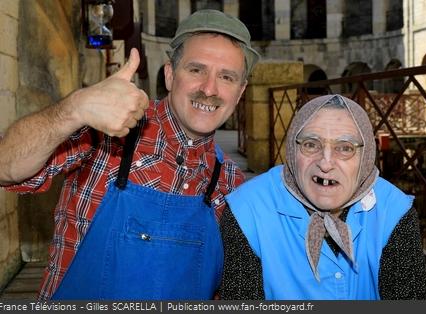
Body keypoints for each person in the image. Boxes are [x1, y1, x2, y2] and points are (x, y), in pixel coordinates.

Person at [0, 9, 259, 300]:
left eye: (226, 77)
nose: (209, 89)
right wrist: (73, 110)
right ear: (170, 75)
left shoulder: (233, 185)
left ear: (240, 92)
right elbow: (6, 166)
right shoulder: (106, 134)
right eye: (196, 70)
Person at [219, 94, 426, 300]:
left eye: (345, 148)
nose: (326, 163)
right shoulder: (247, 211)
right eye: (311, 144)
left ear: (366, 157)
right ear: (292, 150)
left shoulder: (393, 213)